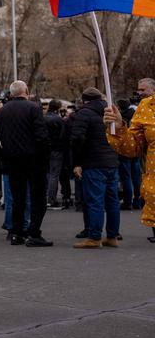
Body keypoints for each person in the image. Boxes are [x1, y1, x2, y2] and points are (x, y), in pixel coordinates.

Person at [0, 81, 52, 247]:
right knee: (38, 198)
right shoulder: (33, 108)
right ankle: (34, 233)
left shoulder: (2, 111)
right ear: (26, 91)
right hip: (33, 160)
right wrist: (45, 156)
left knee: (17, 198)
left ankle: (17, 233)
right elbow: (41, 136)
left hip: (12, 160)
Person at [104, 77, 155, 242]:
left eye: (142, 90)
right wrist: (118, 126)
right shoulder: (146, 107)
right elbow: (132, 147)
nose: (139, 94)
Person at [70, 88, 120, 248]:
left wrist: (77, 161)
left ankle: (94, 236)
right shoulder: (110, 112)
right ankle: (112, 235)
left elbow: (77, 138)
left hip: (93, 161)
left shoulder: (84, 113)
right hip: (111, 160)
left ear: (84, 101)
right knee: (112, 201)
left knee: (95, 201)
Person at [44, 100, 66, 209]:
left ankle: (44, 197)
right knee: (54, 175)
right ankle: (51, 199)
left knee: (46, 173)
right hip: (56, 149)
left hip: (44, 149)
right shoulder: (58, 119)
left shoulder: (43, 118)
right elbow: (63, 136)